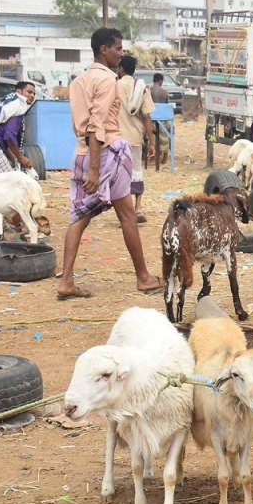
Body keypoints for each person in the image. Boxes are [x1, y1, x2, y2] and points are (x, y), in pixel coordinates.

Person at [56, 27, 162, 300]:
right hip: (106, 153)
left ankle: (66, 280)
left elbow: (84, 125)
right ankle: (143, 277)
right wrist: (95, 168)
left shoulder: (79, 81)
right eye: (117, 48)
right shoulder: (108, 81)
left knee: (79, 216)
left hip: (82, 152)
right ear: (104, 49)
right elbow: (97, 125)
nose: (121, 53)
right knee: (126, 215)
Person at [115, 54, 155, 222]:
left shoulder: (113, 86)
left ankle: (126, 209)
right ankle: (138, 207)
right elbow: (147, 117)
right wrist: (152, 142)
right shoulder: (142, 88)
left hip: (116, 137)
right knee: (136, 171)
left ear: (121, 68)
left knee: (119, 175)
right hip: (136, 137)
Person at [0, 80, 36, 175]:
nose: (32, 95)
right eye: (29, 92)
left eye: (34, 93)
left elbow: (2, 136)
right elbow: (9, 136)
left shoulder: (9, 100)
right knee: (8, 181)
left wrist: (14, 158)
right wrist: (21, 158)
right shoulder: (18, 106)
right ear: (19, 92)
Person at [149, 72, 171, 169]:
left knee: (152, 138)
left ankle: (153, 158)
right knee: (164, 138)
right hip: (162, 118)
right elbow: (166, 106)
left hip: (150, 118)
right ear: (160, 81)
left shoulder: (148, 91)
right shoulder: (165, 92)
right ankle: (165, 157)